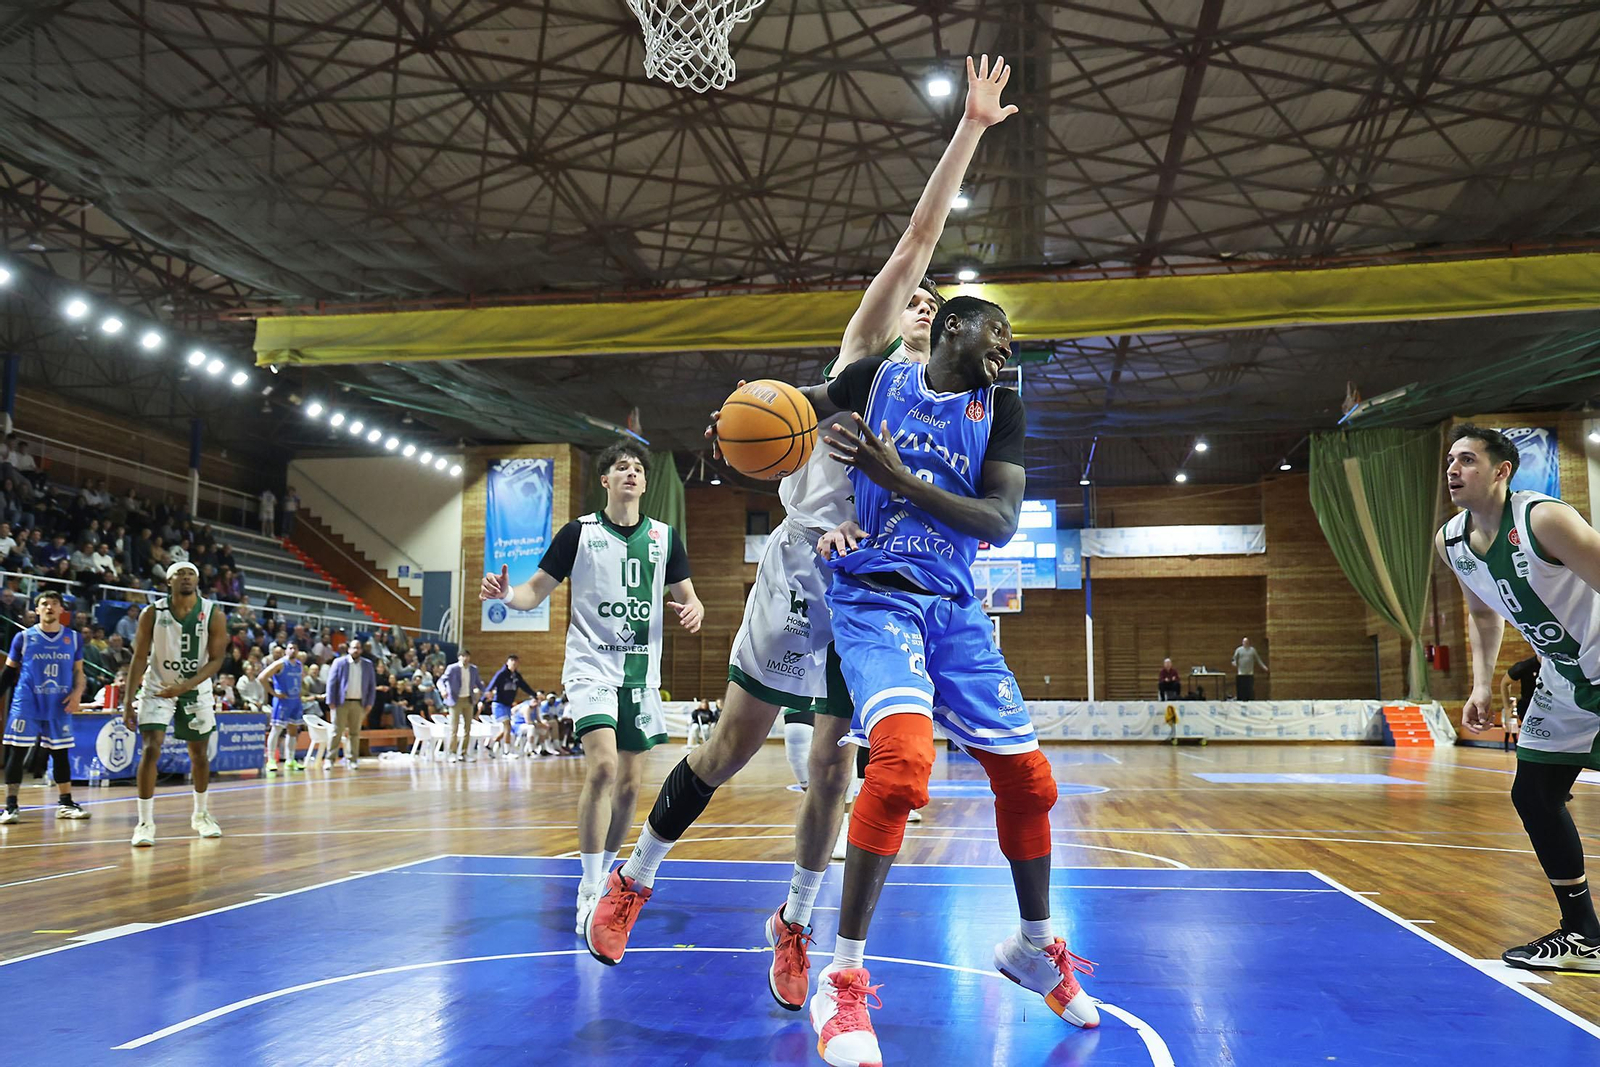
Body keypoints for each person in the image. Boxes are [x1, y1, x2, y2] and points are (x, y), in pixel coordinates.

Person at [588, 55, 1013, 1010]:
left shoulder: (952, 415)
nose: (919, 304)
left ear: (947, 337)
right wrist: (972, 130)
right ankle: (633, 880)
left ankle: (795, 922)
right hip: (795, 573)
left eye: (934, 307)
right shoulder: (863, 358)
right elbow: (918, 233)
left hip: (870, 592)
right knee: (730, 744)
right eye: (912, 297)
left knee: (830, 769)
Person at [482, 441, 702, 934]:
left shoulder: (666, 538)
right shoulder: (577, 533)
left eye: (638, 468)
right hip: (590, 668)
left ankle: (606, 877)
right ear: (605, 480)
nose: (631, 473)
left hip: (642, 675)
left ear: (645, 484)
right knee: (602, 767)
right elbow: (534, 591)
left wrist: (694, 609)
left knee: (628, 786)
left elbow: (689, 596)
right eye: (621, 467)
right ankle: (589, 885)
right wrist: (507, 595)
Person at [1440, 424, 1600, 972]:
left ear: (1502, 470)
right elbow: (1483, 612)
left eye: (1467, 460)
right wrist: (1481, 683)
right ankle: (1583, 934)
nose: (1453, 470)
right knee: (1534, 793)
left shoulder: (1543, 519)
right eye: (1450, 461)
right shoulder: (1452, 541)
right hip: (1563, 677)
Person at [123, 561, 228, 846]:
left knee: (199, 755)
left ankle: (201, 814)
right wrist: (127, 700)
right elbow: (139, 657)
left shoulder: (213, 614)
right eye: (179, 574)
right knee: (150, 748)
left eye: (190, 573)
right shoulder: (152, 613)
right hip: (157, 685)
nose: (185, 577)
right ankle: (145, 823)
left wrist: (185, 686)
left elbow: (217, 659)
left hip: (195, 688)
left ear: (197, 580)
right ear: (167, 582)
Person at [0, 591, 89, 823]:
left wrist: (78, 693)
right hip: (27, 702)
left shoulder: (74, 638)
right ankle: (10, 806)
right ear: (37, 610)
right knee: (17, 751)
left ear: (62, 610)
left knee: (60, 753)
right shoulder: (23, 637)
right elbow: (9, 672)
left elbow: (79, 672)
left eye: (54, 604)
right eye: (44, 604)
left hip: (58, 703)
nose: (49, 607)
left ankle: (65, 803)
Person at [323, 637, 374, 769]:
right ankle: (330, 759)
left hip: (358, 703)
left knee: (355, 733)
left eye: (358, 648)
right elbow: (331, 683)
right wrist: (330, 701)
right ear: (349, 649)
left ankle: (352, 760)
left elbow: (371, 685)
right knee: (336, 731)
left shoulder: (367, 664)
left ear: (361, 650)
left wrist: (369, 703)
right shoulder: (339, 663)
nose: (356, 650)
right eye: (353, 647)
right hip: (341, 703)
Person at [259, 642, 306, 773]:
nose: (293, 650)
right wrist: (274, 693)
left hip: (295, 701)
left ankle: (290, 760)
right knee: (276, 729)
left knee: (293, 730)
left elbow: (298, 680)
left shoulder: (298, 665)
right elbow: (262, 677)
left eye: (295, 648)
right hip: (282, 701)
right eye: (290, 648)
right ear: (286, 650)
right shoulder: (280, 664)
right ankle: (271, 760)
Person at [485, 653, 536, 757]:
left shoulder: (516, 676)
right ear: (507, 662)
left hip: (508, 705)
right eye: (512, 661)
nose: (514, 664)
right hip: (498, 704)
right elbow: (492, 684)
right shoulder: (501, 673)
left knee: (506, 728)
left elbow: (524, 686)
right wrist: (483, 699)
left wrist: (534, 695)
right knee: (507, 726)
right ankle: (506, 752)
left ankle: (490, 744)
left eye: (516, 662)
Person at [438, 650, 483, 762]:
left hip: (468, 700)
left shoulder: (473, 669)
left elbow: (478, 683)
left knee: (468, 728)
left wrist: (486, 692)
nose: (465, 658)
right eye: (463, 656)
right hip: (455, 700)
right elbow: (440, 681)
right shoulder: (452, 668)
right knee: (454, 727)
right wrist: (443, 690)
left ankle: (464, 753)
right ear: (459, 658)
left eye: (467, 656)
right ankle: (452, 753)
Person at [1502, 655, 1540, 753]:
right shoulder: (1525, 666)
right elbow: (1505, 683)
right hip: (1529, 708)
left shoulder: (1557, 664)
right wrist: (1507, 708)